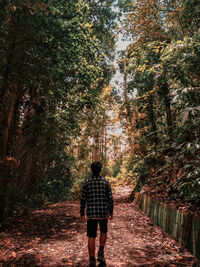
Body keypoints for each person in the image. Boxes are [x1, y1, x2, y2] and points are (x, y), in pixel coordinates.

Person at [80, 161, 114, 267]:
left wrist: (82, 212)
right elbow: (110, 199)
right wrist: (111, 212)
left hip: (91, 214)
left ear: (91, 170)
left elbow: (83, 199)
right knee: (103, 232)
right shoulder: (106, 182)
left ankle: (91, 259)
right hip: (103, 213)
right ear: (100, 170)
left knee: (91, 236)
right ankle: (101, 252)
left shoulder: (87, 182)